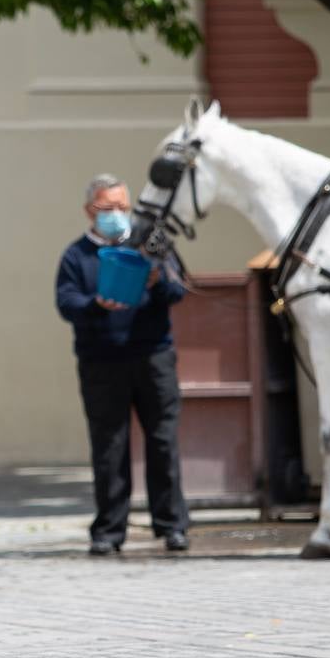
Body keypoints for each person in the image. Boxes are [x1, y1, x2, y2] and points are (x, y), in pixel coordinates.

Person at [56, 174, 190, 555]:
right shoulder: (75, 255)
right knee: (109, 447)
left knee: (163, 441)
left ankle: (171, 526)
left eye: (122, 207)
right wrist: (95, 305)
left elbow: (178, 290)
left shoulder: (152, 243)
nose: (116, 214)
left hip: (153, 357)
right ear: (89, 211)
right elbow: (66, 303)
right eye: (106, 208)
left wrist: (156, 279)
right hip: (102, 362)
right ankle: (109, 531)